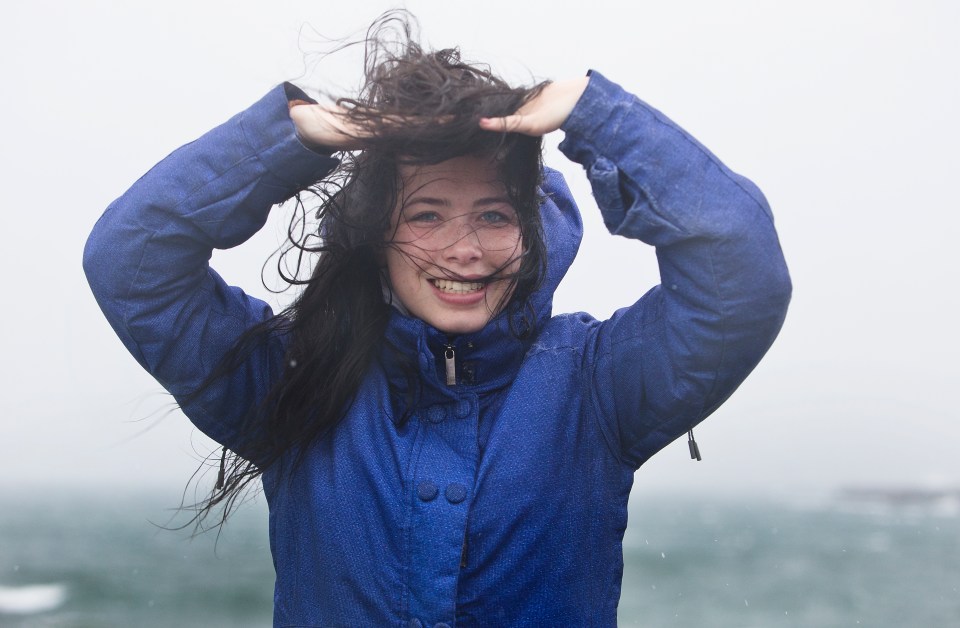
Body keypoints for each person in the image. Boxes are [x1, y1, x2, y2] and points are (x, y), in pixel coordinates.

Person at [83, 14, 791, 627]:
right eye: (426, 214)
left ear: (534, 231)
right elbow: (130, 261)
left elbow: (743, 274)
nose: (464, 249)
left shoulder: (596, 384)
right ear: (372, 233)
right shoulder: (293, 380)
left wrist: (594, 113)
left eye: (494, 215)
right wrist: (295, 136)